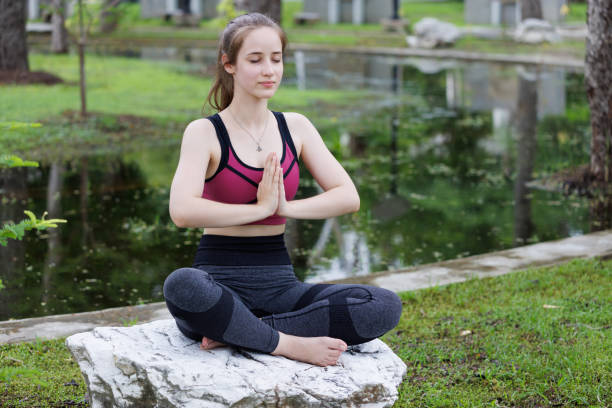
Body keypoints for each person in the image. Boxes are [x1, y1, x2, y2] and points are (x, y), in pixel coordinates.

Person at [162, 12, 402, 367]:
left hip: (282, 287)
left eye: (276, 59)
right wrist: (258, 210)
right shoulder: (205, 132)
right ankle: (287, 343)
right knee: (182, 285)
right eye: (255, 60)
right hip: (217, 284)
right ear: (229, 65)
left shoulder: (296, 127)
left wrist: (284, 207)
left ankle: (245, 332)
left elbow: (348, 196)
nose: (269, 70)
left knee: (383, 305)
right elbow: (182, 211)